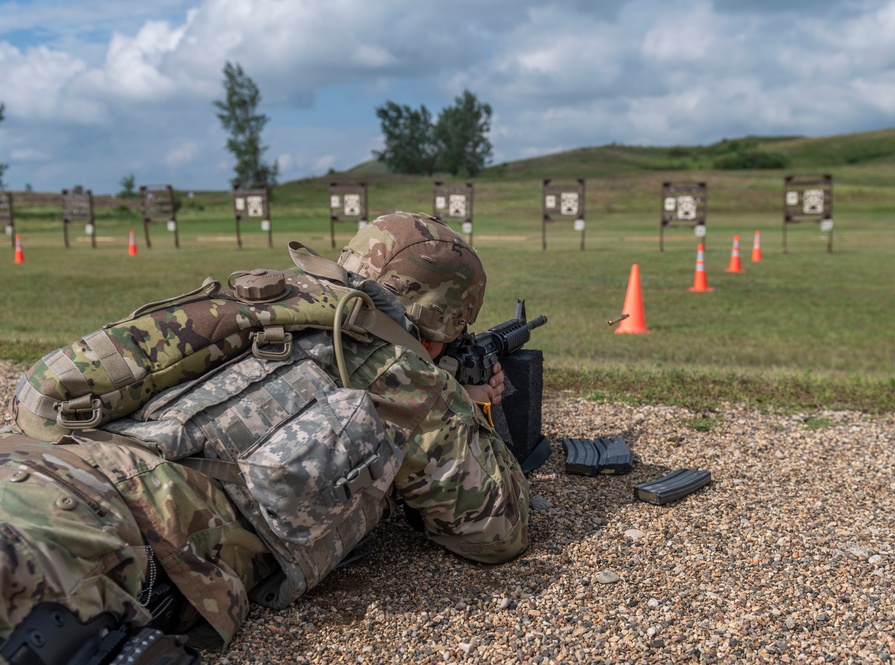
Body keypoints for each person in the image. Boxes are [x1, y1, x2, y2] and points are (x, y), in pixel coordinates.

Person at [0, 211, 529, 659]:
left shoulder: (277, 306)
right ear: (439, 323)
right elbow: (495, 533)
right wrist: (467, 405)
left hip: (50, 461)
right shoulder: (392, 364)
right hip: (119, 525)